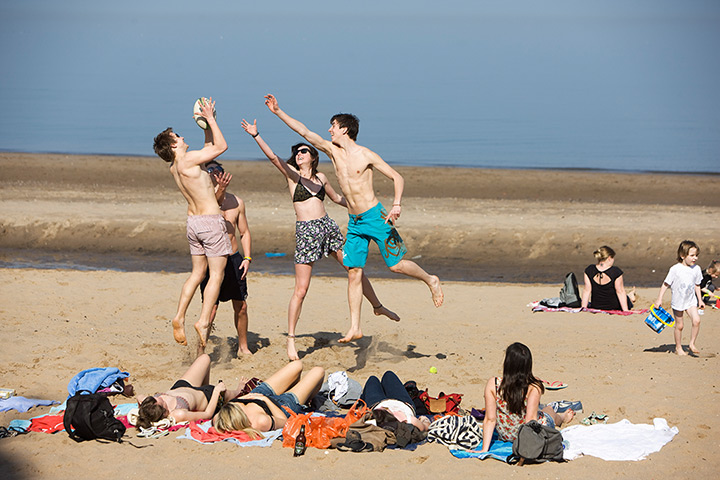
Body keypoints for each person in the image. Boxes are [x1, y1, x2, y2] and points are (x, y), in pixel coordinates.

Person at [264, 94, 443, 344]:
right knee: (354, 272)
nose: (329, 130)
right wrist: (278, 111)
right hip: (355, 223)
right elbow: (305, 132)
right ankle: (355, 327)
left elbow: (397, 177)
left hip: (376, 216)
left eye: (333, 126)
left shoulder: (366, 155)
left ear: (344, 129)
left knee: (396, 265)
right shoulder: (333, 152)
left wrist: (397, 205)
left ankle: (430, 279)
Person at [241, 119, 399, 360]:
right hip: (306, 233)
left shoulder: (321, 178)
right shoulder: (292, 176)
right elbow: (274, 157)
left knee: (353, 268)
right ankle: (291, 340)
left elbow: (338, 199)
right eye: (296, 152)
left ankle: (377, 307)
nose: (299, 154)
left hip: (328, 228)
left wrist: (366, 209)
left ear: (313, 156)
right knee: (301, 290)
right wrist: (256, 135)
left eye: (303, 151)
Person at [153, 97, 231, 350]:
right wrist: (208, 118)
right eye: (178, 136)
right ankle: (203, 321)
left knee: (197, 273)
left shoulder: (176, 167)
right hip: (210, 221)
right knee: (216, 274)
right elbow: (221, 146)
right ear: (173, 144)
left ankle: (179, 316)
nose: (183, 136)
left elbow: (208, 146)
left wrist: (209, 123)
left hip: (193, 223)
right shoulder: (187, 160)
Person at [198, 160, 253, 356]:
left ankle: (243, 347)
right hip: (212, 262)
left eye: (218, 169)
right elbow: (215, 207)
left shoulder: (237, 202)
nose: (214, 172)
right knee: (210, 309)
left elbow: (244, 232)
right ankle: (201, 349)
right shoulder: (202, 202)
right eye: (210, 170)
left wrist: (247, 258)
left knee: (241, 306)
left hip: (234, 259)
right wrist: (219, 190)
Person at [480, 342, 574, 452]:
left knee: (542, 410)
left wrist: (484, 449)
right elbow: (531, 420)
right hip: (524, 435)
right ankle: (562, 417)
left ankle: (559, 415)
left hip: (505, 435)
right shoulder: (533, 386)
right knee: (548, 410)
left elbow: (490, 419)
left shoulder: (494, 384)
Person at [213, 360, 325, 438]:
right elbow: (285, 422)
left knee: (297, 365)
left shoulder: (219, 418)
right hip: (281, 405)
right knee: (318, 371)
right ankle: (305, 396)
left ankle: (298, 389)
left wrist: (245, 397)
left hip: (256, 394)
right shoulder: (260, 422)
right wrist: (265, 400)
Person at [135, 353, 243, 428]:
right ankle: (238, 391)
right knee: (235, 394)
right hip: (208, 396)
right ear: (163, 412)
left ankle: (204, 384)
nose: (158, 397)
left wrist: (144, 410)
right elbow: (207, 414)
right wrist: (216, 391)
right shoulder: (178, 414)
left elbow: (139, 397)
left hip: (183, 386)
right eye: (158, 400)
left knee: (205, 358)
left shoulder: (148, 406)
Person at [655, 240, 704, 355]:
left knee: (696, 320)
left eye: (696, 255)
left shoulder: (696, 269)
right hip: (678, 302)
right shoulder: (675, 269)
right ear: (682, 256)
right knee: (680, 325)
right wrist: (659, 299)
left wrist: (700, 300)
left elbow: (697, 285)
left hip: (691, 301)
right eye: (692, 255)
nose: (695, 258)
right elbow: (665, 284)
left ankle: (692, 343)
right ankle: (678, 347)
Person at [360, 371, 430, 432]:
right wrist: (424, 419)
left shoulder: (373, 423)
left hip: (376, 403)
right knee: (388, 375)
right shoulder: (407, 420)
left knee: (373, 379)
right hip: (402, 402)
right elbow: (426, 426)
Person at [580, 246, 636, 311]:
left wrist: (583, 308)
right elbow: (620, 291)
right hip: (614, 306)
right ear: (609, 258)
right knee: (626, 298)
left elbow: (587, 290)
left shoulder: (589, 270)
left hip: (596, 305)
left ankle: (630, 295)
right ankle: (631, 296)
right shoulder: (615, 272)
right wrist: (625, 310)